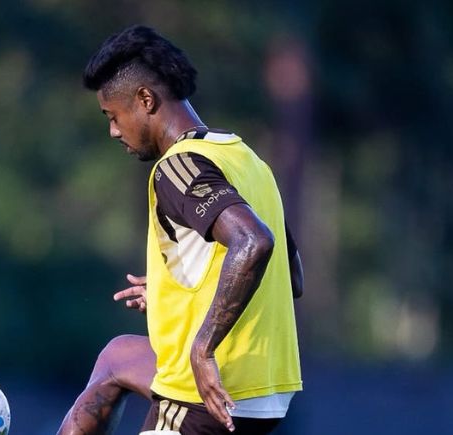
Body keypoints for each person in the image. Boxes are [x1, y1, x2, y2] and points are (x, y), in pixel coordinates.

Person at [59, 25, 303, 435]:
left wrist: (203, 347)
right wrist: (177, 300)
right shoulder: (247, 161)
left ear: (146, 100)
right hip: (269, 393)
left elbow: (254, 242)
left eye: (114, 116)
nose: (114, 131)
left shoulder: (177, 166)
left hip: (208, 391)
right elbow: (290, 276)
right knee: (118, 356)